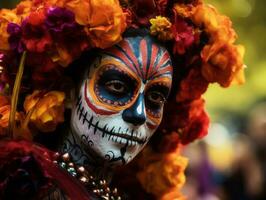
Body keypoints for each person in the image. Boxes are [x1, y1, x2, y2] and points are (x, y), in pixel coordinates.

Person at [0, 0, 245, 199]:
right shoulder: (24, 181)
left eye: (155, 97)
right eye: (117, 87)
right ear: (68, 93)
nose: (138, 114)